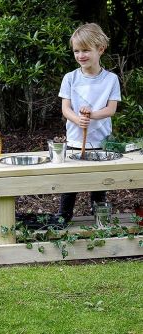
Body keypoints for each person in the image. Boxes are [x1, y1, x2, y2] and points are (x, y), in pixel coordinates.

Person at [58, 23, 121, 222]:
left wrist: (91, 115)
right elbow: (65, 109)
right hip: (75, 141)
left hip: (101, 142)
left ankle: (99, 222)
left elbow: (111, 109)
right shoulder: (70, 78)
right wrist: (78, 119)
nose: (81, 55)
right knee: (70, 185)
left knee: (98, 184)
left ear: (100, 49)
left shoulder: (110, 79)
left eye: (86, 50)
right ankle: (63, 220)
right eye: (77, 51)